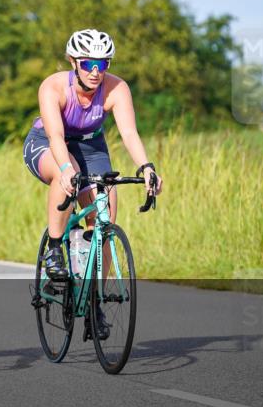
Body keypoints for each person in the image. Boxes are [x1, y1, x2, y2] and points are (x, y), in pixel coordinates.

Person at [23, 29, 163, 338]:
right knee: (66, 178)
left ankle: (93, 300)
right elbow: (56, 136)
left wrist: (146, 166)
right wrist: (65, 169)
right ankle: (55, 249)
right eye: (88, 64)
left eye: (103, 64)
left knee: (105, 219)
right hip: (47, 142)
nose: (96, 71)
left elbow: (129, 133)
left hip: (91, 146)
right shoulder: (53, 87)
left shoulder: (117, 88)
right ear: (73, 61)